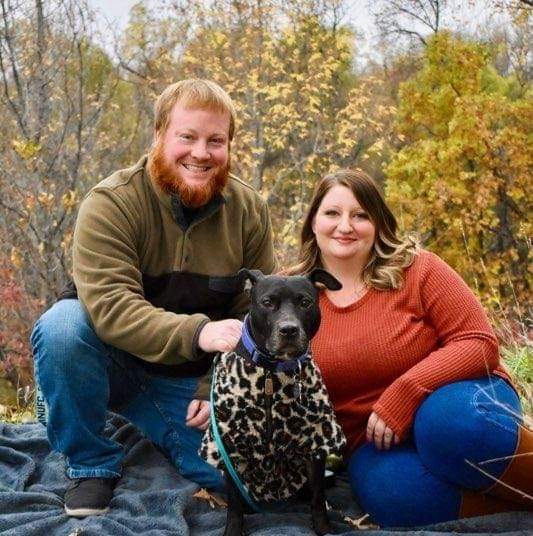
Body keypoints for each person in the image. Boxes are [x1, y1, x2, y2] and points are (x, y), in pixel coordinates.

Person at [30, 79, 277, 517]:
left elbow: (255, 313)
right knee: (61, 328)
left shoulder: (249, 210)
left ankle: (142, 418)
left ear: (229, 146)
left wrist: (213, 386)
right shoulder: (111, 203)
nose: (201, 153)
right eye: (187, 136)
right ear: (159, 136)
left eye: (215, 141)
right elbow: (112, 309)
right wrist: (200, 332)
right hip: (114, 360)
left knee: (253, 489)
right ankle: (90, 462)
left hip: (190, 379)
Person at [289, 169, 532, 527]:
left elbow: (479, 343)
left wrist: (406, 393)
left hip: (455, 398)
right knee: (396, 496)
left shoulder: (417, 269)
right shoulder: (290, 297)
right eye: (332, 213)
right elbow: (258, 362)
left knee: (449, 428)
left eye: (360, 215)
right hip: (372, 441)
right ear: (312, 222)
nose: (345, 226)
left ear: (378, 223)